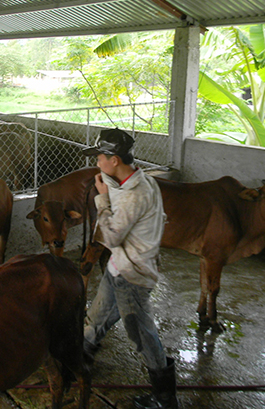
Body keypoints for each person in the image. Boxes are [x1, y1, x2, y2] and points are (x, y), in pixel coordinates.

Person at [82, 128, 178, 409]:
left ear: (113, 160)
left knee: (143, 335)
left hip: (132, 276)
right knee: (97, 317)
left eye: (100, 157)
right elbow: (119, 191)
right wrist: (107, 188)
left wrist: (101, 198)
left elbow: (111, 236)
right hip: (117, 268)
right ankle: (78, 363)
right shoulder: (138, 180)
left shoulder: (134, 194)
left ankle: (164, 398)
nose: (97, 162)